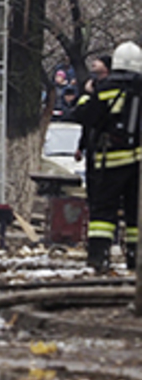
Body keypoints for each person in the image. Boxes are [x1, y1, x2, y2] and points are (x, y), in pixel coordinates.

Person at [67, 41, 142, 272]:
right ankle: (135, 258)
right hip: (138, 163)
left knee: (103, 213)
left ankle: (99, 257)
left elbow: (82, 115)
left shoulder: (106, 87)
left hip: (110, 163)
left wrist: (86, 94)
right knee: (135, 213)